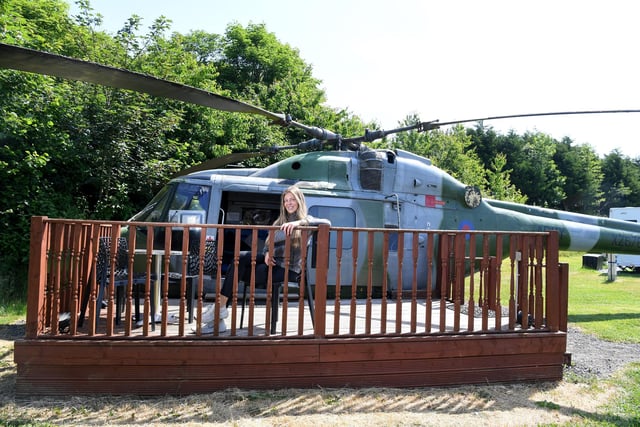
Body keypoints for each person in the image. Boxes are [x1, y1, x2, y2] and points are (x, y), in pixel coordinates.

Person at [197, 185, 330, 333]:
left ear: (299, 201)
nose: (289, 203)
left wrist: (298, 223)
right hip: (273, 262)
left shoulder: (307, 220)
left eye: (292, 199)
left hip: (289, 269)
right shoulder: (279, 222)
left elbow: (326, 222)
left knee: (239, 271)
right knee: (240, 257)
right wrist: (267, 253)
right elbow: (268, 244)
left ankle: (218, 313)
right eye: (286, 200)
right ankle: (219, 311)